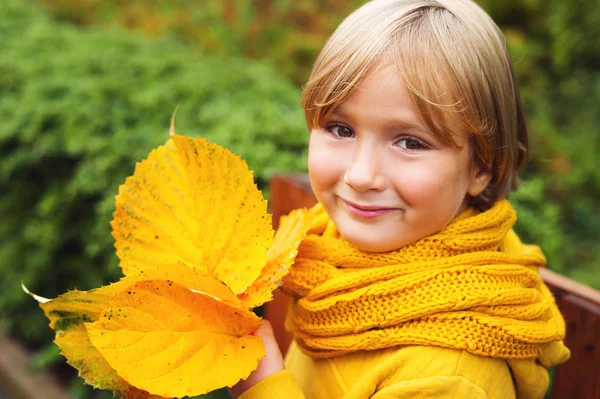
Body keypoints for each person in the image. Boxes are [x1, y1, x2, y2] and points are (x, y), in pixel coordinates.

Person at [230, 0, 570, 397]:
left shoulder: (447, 378)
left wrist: (262, 387)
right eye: (341, 129)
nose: (360, 176)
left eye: (410, 142)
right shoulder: (326, 253)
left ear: (482, 167)